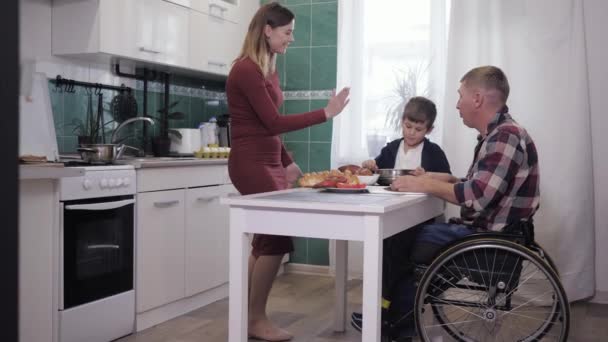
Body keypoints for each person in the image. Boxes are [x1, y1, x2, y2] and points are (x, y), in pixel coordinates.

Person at [351, 65, 540, 342]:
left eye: (460, 95)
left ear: (477, 99)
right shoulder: (499, 134)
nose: (456, 104)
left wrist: (424, 184)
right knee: (404, 238)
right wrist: (447, 178)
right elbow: (484, 186)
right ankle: (391, 319)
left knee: (404, 239)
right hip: (496, 231)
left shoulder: (504, 136)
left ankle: (393, 326)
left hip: (489, 237)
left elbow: (477, 196)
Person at [226, 3, 350, 341]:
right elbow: (272, 122)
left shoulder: (267, 68)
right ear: (268, 29)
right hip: (250, 163)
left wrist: (284, 161)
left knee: (264, 240)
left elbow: (271, 128)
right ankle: (255, 319)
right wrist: (326, 113)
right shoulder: (245, 70)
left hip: (267, 161)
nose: (291, 38)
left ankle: (246, 317)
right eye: (287, 32)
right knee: (277, 238)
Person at [361, 96, 451, 174]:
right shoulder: (390, 149)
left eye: (418, 129)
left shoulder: (435, 153)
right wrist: (369, 166)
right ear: (402, 122)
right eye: (408, 126)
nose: (412, 133)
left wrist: (427, 176)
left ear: (429, 130)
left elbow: (448, 180)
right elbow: (375, 170)